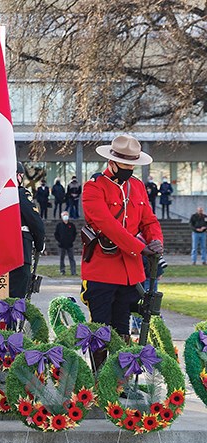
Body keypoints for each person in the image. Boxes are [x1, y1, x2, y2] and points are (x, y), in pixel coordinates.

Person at [81, 134, 162, 370]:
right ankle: (99, 380)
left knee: (122, 327)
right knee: (101, 328)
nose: (129, 170)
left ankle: (119, 380)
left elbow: (149, 220)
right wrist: (140, 247)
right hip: (102, 270)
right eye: (125, 166)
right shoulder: (93, 188)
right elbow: (107, 224)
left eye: (132, 166)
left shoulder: (136, 187)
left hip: (130, 271)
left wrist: (156, 240)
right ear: (112, 162)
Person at [9, 162, 45, 298]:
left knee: (4, 296)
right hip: (20, 251)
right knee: (17, 298)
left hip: (2, 254)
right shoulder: (21, 193)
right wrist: (40, 244)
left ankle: (5, 320)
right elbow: (35, 222)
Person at [54, 211, 77, 276]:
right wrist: (59, 241)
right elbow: (56, 234)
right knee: (62, 258)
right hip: (61, 245)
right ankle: (62, 271)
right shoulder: (59, 225)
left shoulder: (71, 225)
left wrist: (72, 240)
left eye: (66, 215)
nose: (65, 216)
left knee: (72, 258)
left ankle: (73, 272)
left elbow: (74, 233)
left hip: (70, 245)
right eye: (64, 215)